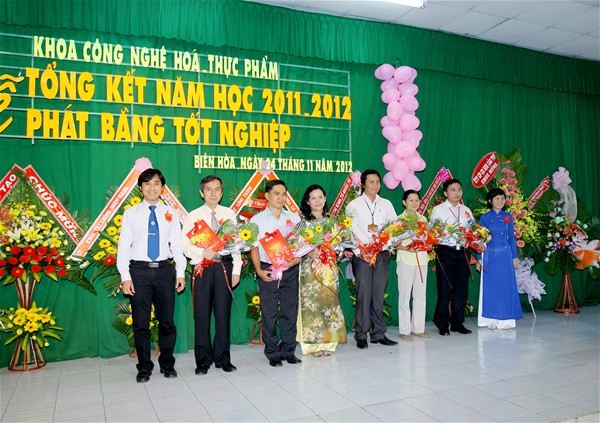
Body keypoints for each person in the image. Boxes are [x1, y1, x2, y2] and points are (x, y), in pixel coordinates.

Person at [117, 168, 186, 383]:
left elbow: (177, 246)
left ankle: (167, 364)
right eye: (147, 184)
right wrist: (125, 276)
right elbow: (123, 247)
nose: (152, 188)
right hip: (139, 272)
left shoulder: (170, 213)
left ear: (162, 188)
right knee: (140, 323)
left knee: (167, 322)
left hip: (164, 271)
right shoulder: (131, 214)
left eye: (156, 183)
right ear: (140, 188)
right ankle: (144, 367)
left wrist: (180, 273)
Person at [181, 175, 242, 375]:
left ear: (222, 193)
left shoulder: (229, 214)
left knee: (223, 315)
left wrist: (236, 269)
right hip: (202, 269)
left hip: (224, 267)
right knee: (202, 316)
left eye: (217, 189)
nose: (213, 193)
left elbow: (236, 244)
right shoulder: (193, 216)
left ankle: (223, 359)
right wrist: (202, 252)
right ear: (202, 193)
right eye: (209, 189)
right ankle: (203, 361)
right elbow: (184, 245)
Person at [249, 180, 302, 367]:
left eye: (284, 194)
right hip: (268, 269)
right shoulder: (257, 221)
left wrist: (297, 259)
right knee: (269, 312)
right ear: (267, 196)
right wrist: (259, 270)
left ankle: (288, 350)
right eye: (276, 193)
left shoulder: (295, 219)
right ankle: (272, 352)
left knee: (289, 311)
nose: (281, 197)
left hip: (290, 269)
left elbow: (301, 244)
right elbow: (254, 247)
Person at [345, 169, 398, 349]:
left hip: (381, 254)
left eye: (377, 182)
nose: (375, 185)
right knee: (363, 294)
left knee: (378, 295)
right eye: (371, 182)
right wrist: (359, 250)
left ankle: (378, 334)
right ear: (363, 184)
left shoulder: (386, 204)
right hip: (363, 255)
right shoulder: (354, 205)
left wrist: (388, 244)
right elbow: (349, 231)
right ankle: (361, 334)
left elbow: (394, 227)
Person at [297, 184, 347, 357]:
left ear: (325, 199)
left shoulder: (333, 222)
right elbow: (295, 244)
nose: (317, 201)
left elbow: (340, 244)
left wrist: (335, 249)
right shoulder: (302, 222)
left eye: (320, 197)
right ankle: (313, 345)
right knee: (311, 303)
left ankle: (329, 343)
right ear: (307, 201)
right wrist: (310, 252)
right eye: (313, 198)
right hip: (310, 267)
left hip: (329, 268)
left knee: (329, 302)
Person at [430, 178, 476, 336]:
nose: (457, 193)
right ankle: (441, 322)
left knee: (461, 289)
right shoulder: (439, 210)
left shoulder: (466, 210)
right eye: (453, 190)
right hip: (446, 252)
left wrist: (478, 239)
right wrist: (450, 236)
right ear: (445, 193)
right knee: (445, 289)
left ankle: (457, 322)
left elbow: (472, 230)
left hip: (463, 252)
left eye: (459, 189)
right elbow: (434, 232)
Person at [475, 188, 523, 329]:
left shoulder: (508, 216)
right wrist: (479, 258)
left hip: (505, 255)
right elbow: (480, 239)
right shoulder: (484, 217)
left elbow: (511, 238)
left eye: (502, 198)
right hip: (489, 255)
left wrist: (514, 257)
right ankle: (490, 319)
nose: (500, 201)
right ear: (490, 201)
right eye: (497, 198)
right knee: (491, 286)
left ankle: (507, 319)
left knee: (506, 285)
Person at [395, 190, 430, 341]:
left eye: (417, 200)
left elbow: (428, 239)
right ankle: (405, 330)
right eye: (411, 200)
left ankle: (419, 328)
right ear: (404, 202)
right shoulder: (398, 220)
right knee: (404, 296)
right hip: (405, 260)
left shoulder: (423, 219)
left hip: (422, 260)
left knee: (420, 295)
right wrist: (406, 248)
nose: (414, 203)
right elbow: (393, 243)